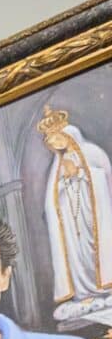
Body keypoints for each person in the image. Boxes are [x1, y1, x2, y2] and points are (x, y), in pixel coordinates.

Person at [38, 104, 112, 313]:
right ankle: (84, 293)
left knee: (97, 248)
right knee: (77, 254)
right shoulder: (58, 164)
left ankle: (104, 286)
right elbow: (52, 201)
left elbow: (103, 179)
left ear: (68, 135)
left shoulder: (91, 152)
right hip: (73, 222)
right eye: (53, 144)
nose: (57, 146)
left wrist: (80, 174)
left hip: (94, 214)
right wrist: (65, 182)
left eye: (58, 140)